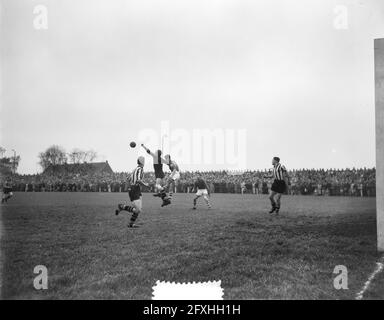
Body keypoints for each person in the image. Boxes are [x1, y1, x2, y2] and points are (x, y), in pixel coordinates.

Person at [115, 156, 149, 228]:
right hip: (134, 189)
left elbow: (128, 179)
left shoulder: (135, 169)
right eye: (144, 160)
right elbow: (138, 180)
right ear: (142, 161)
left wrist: (126, 188)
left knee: (138, 209)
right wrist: (145, 185)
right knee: (138, 209)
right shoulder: (140, 169)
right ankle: (123, 208)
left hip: (135, 189)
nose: (144, 161)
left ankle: (129, 220)